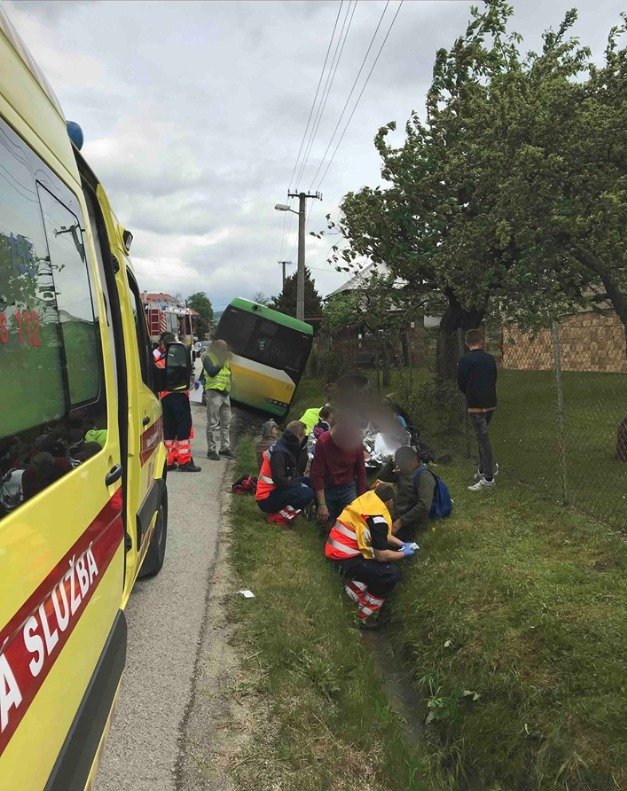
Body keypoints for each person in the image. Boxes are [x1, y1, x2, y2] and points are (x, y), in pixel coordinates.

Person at [324, 483, 416, 628]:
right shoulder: (377, 517)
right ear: (390, 501)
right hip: (344, 558)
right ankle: (364, 616)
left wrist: (402, 544)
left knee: (376, 568)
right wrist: (403, 554)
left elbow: (382, 536)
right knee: (390, 574)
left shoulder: (369, 501)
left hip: (338, 550)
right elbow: (381, 555)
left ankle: (349, 596)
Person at [457, 328, 498, 491]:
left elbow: (461, 382)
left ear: (467, 343)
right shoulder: (489, 359)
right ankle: (483, 469)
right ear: (481, 341)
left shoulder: (465, 360)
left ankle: (488, 478)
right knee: (482, 437)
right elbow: (494, 378)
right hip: (490, 402)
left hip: (475, 405)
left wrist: (470, 392)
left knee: (483, 440)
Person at [154, 332, 201, 473]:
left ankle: (168, 461)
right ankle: (184, 461)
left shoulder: (157, 360)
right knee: (183, 429)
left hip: (164, 398)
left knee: (168, 430)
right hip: (179, 396)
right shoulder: (177, 359)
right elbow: (186, 377)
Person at [311, 415, 367, 524]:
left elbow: (361, 471)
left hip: (348, 485)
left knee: (350, 519)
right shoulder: (323, 441)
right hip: (328, 486)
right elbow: (317, 474)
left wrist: (361, 500)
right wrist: (322, 504)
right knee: (324, 521)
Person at [255, 421, 314, 520]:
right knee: (307, 493)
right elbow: (279, 480)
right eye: (304, 436)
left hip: (273, 490)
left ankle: (290, 512)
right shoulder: (280, 452)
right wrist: (297, 486)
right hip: (266, 498)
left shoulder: (284, 445)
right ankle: (279, 517)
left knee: (307, 481)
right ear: (298, 437)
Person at [377, 446, 435, 541]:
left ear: (413, 460)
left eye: (402, 464)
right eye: (398, 464)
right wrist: (392, 462)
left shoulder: (424, 476)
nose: (400, 467)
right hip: (395, 517)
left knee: (380, 541)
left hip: (409, 522)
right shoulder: (404, 473)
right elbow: (382, 476)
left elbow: (424, 506)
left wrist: (401, 521)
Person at [202, 339, 233, 461]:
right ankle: (211, 450)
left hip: (225, 393)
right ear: (216, 348)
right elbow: (212, 372)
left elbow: (229, 374)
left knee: (226, 423)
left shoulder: (225, 359)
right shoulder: (208, 357)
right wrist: (222, 360)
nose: (225, 351)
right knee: (213, 423)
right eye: (223, 348)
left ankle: (224, 448)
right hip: (214, 393)